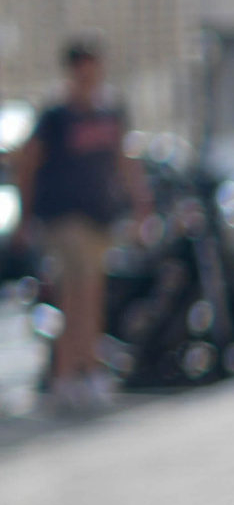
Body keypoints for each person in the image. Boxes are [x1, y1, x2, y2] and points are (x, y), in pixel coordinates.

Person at [24, 40, 146, 416]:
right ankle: (70, 374)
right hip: (64, 216)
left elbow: (124, 159)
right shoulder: (57, 116)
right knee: (75, 295)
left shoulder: (110, 110)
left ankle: (82, 372)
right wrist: (27, 215)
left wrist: (141, 205)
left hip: (100, 215)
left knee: (90, 296)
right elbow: (28, 162)